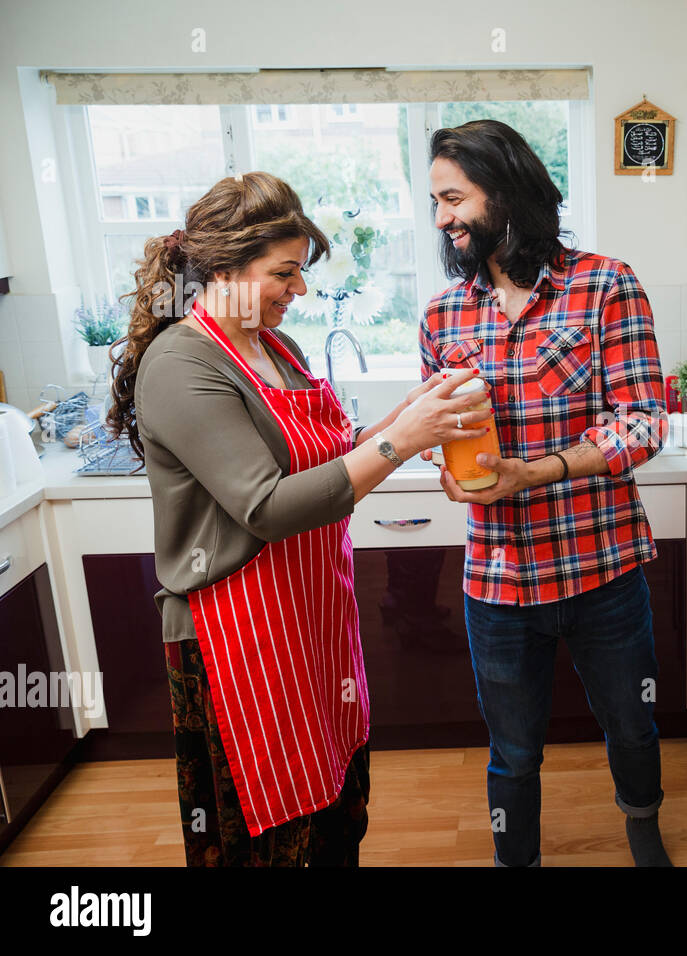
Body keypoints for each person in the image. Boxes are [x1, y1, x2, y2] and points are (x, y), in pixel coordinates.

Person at [107, 171, 492, 866]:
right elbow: (267, 506)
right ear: (223, 267)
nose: (300, 291)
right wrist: (402, 441)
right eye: (284, 273)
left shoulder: (274, 347)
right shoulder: (182, 363)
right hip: (235, 639)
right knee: (267, 835)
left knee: (333, 818)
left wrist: (412, 415)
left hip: (312, 625)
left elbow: (325, 460)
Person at [419, 120, 671, 867]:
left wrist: (541, 471)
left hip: (604, 567)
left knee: (631, 724)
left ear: (505, 192)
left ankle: (642, 824)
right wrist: (450, 474)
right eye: (435, 202)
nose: (442, 219)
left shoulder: (604, 285)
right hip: (498, 580)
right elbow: (444, 432)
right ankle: (513, 860)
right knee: (512, 750)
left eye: (454, 198)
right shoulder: (441, 314)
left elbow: (645, 422)